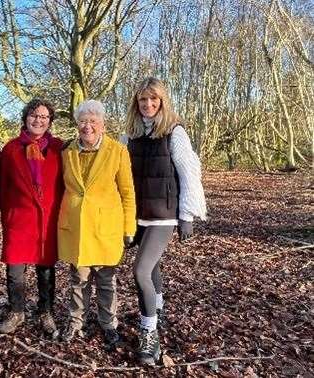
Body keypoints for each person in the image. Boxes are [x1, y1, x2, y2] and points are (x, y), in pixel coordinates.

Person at [123, 77, 207, 365]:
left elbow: (189, 173)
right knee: (153, 267)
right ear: (137, 103)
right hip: (138, 215)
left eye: (153, 100)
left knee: (140, 271)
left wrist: (186, 216)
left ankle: (149, 336)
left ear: (162, 101)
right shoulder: (130, 135)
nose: (148, 105)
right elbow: (121, 176)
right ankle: (157, 310)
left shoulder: (175, 133)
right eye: (143, 100)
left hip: (163, 215)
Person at [58, 99, 136, 347]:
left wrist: (129, 228)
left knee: (105, 281)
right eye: (83, 121)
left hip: (105, 229)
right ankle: (75, 321)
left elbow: (127, 192)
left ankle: (108, 324)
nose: (87, 126)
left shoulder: (118, 151)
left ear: (102, 125)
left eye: (93, 121)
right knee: (78, 280)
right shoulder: (67, 151)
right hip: (78, 228)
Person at [0, 99, 64, 336]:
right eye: (34, 115)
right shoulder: (11, 149)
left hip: (48, 218)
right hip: (19, 218)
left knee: (45, 268)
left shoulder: (59, 148)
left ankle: (45, 311)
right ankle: (17, 311)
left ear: (50, 122)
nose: (39, 120)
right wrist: (7, 215)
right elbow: (2, 185)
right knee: (15, 269)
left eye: (44, 117)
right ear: (26, 118)